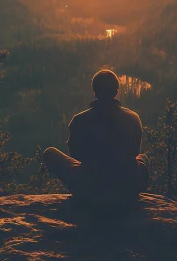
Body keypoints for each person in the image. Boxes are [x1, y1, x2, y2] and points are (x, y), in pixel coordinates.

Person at [43, 70, 149, 202]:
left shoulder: (79, 120)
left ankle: (84, 194)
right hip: (127, 188)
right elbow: (135, 152)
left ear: (95, 92)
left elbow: (75, 155)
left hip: (90, 188)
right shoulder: (133, 118)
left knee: (50, 153)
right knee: (143, 157)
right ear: (116, 92)